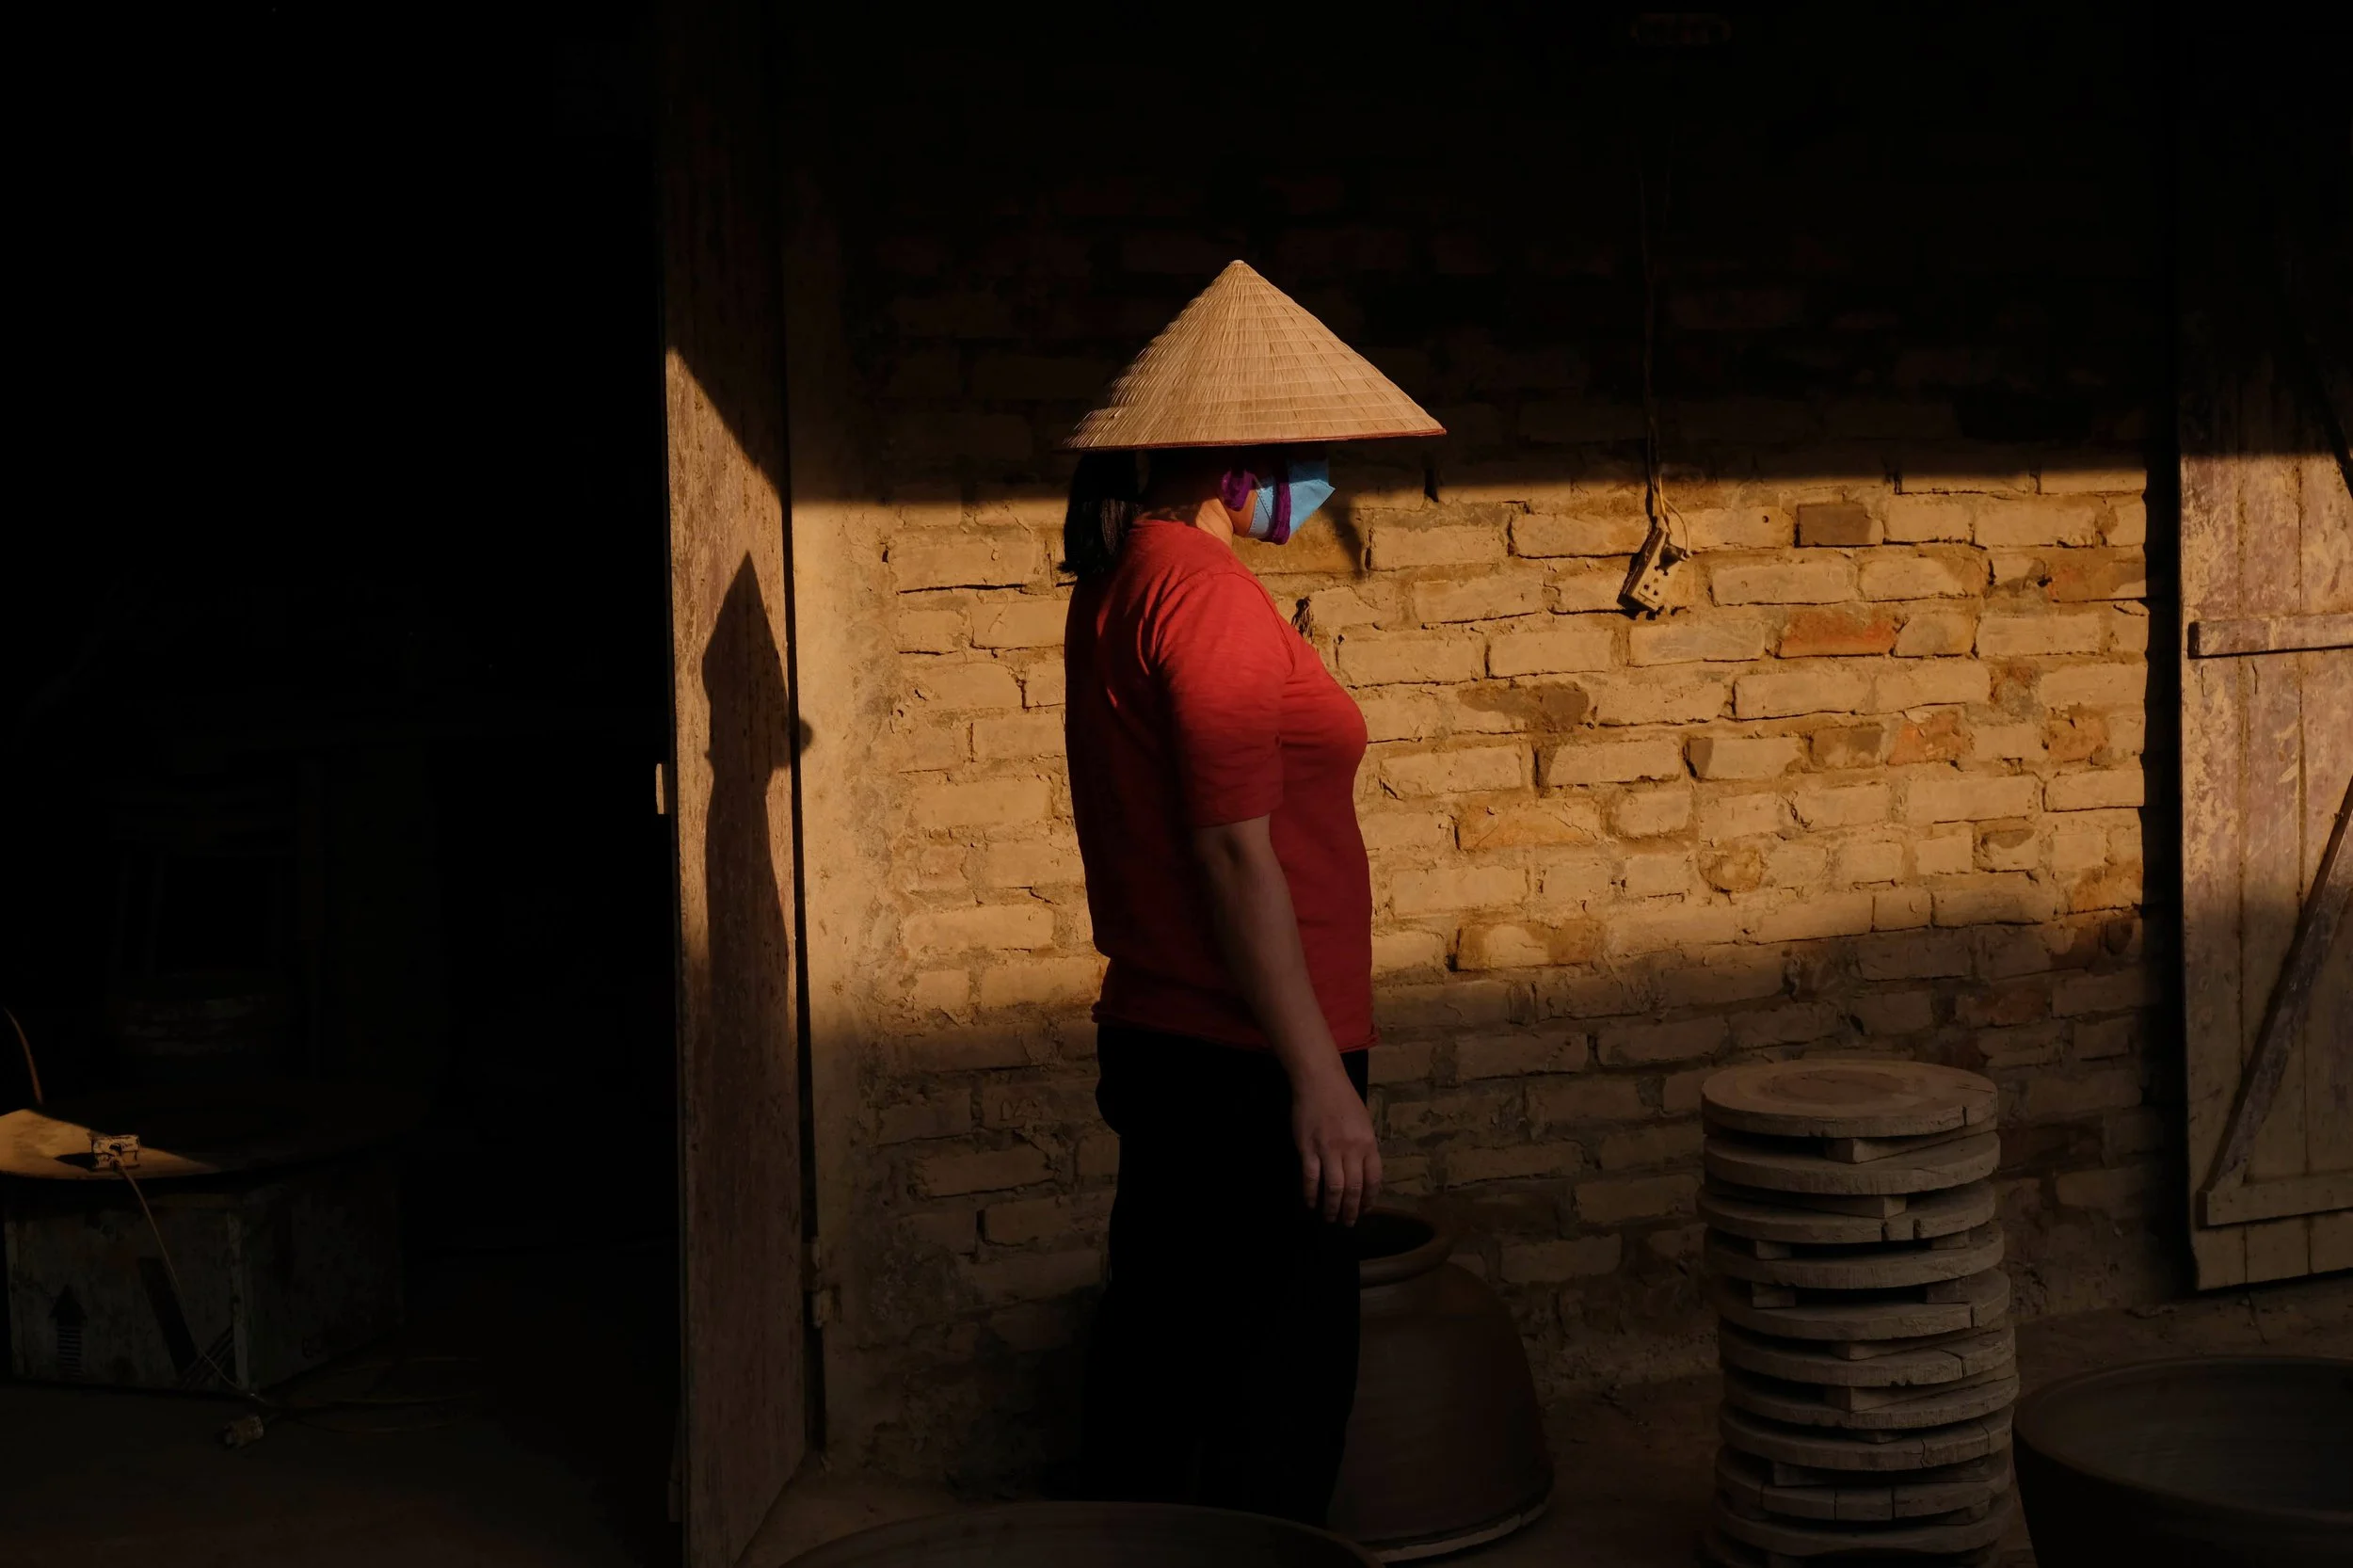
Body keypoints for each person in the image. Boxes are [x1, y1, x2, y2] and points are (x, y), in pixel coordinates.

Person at [1060, 262, 1445, 1526]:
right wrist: (1320, 1084)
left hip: (1174, 1040)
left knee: (1164, 1376)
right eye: (1300, 447)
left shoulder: (1128, 578)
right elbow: (1234, 854)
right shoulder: (1207, 595)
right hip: (1247, 1055)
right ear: (1231, 455)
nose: (1317, 469)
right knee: (1275, 1407)